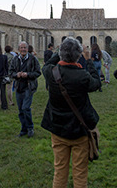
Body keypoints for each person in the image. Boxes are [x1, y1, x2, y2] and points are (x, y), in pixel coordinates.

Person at [42, 37, 101, 188]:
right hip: (78, 130)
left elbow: (47, 64)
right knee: (80, 173)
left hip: (58, 129)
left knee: (60, 171)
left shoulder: (50, 72)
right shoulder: (83, 76)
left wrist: (58, 53)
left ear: (61, 54)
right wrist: (88, 61)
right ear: (78, 55)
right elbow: (96, 81)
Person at [9, 41, 41, 137]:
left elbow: (38, 72)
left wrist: (28, 74)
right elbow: (11, 72)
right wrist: (17, 75)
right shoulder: (15, 59)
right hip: (19, 86)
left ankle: (30, 128)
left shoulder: (33, 59)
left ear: (27, 49)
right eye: (21, 48)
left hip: (29, 87)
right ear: (18, 49)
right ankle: (24, 129)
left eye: (25, 48)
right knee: (20, 110)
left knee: (25, 108)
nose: (23, 49)